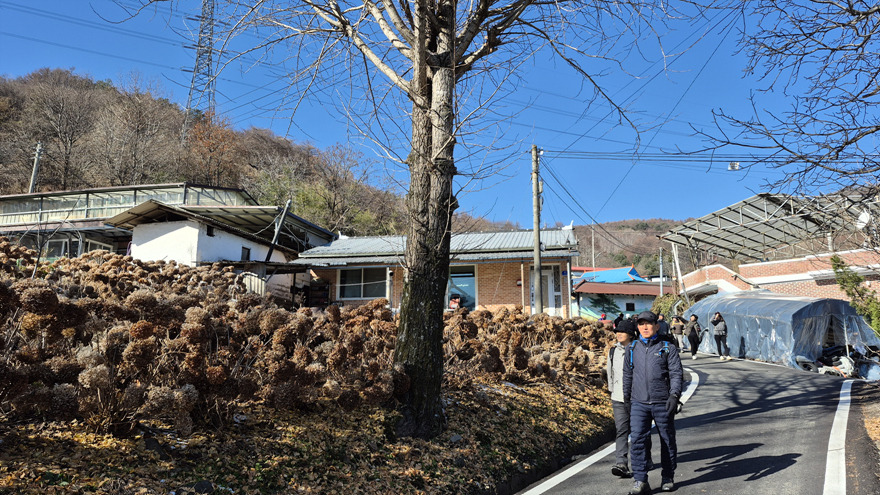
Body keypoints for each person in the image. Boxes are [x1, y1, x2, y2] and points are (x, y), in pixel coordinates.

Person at [623, 311, 683, 494]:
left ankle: (668, 476)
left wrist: (674, 396)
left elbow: (676, 373)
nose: (645, 327)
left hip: (662, 402)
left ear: (656, 326)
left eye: (648, 324)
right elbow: (628, 374)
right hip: (638, 403)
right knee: (637, 440)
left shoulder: (667, 347)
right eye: (641, 324)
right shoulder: (632, 348)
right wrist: (627, 397)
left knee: (667, 440)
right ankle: (640, 480)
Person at [607, 319, 653, 478]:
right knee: (622, 430)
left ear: (631, 334)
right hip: (619, 398)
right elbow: (610, 373)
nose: (619, 334)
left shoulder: (639, 349)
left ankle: (645, 458)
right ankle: (621, 463)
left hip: (637, 398)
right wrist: (612, 391)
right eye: (617, 331)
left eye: (623, 331)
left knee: (640, 431)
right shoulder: (613, 351)